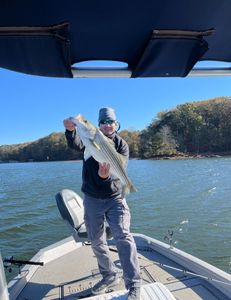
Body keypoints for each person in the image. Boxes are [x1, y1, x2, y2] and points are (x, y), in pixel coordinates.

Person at [63, 107, 141, 300]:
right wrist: (71, 130)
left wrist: (105, 178)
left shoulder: (122, 144)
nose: (107, 125)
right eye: (103, 122)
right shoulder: (88, 140)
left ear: (116, 124)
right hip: (91, 198)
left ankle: (134, 285)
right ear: (98, 126)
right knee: (96, 240)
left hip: (115, 198)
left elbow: (118, 169)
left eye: (111, 122)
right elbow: (75, 144)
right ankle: (109, 275)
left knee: (123, 236)